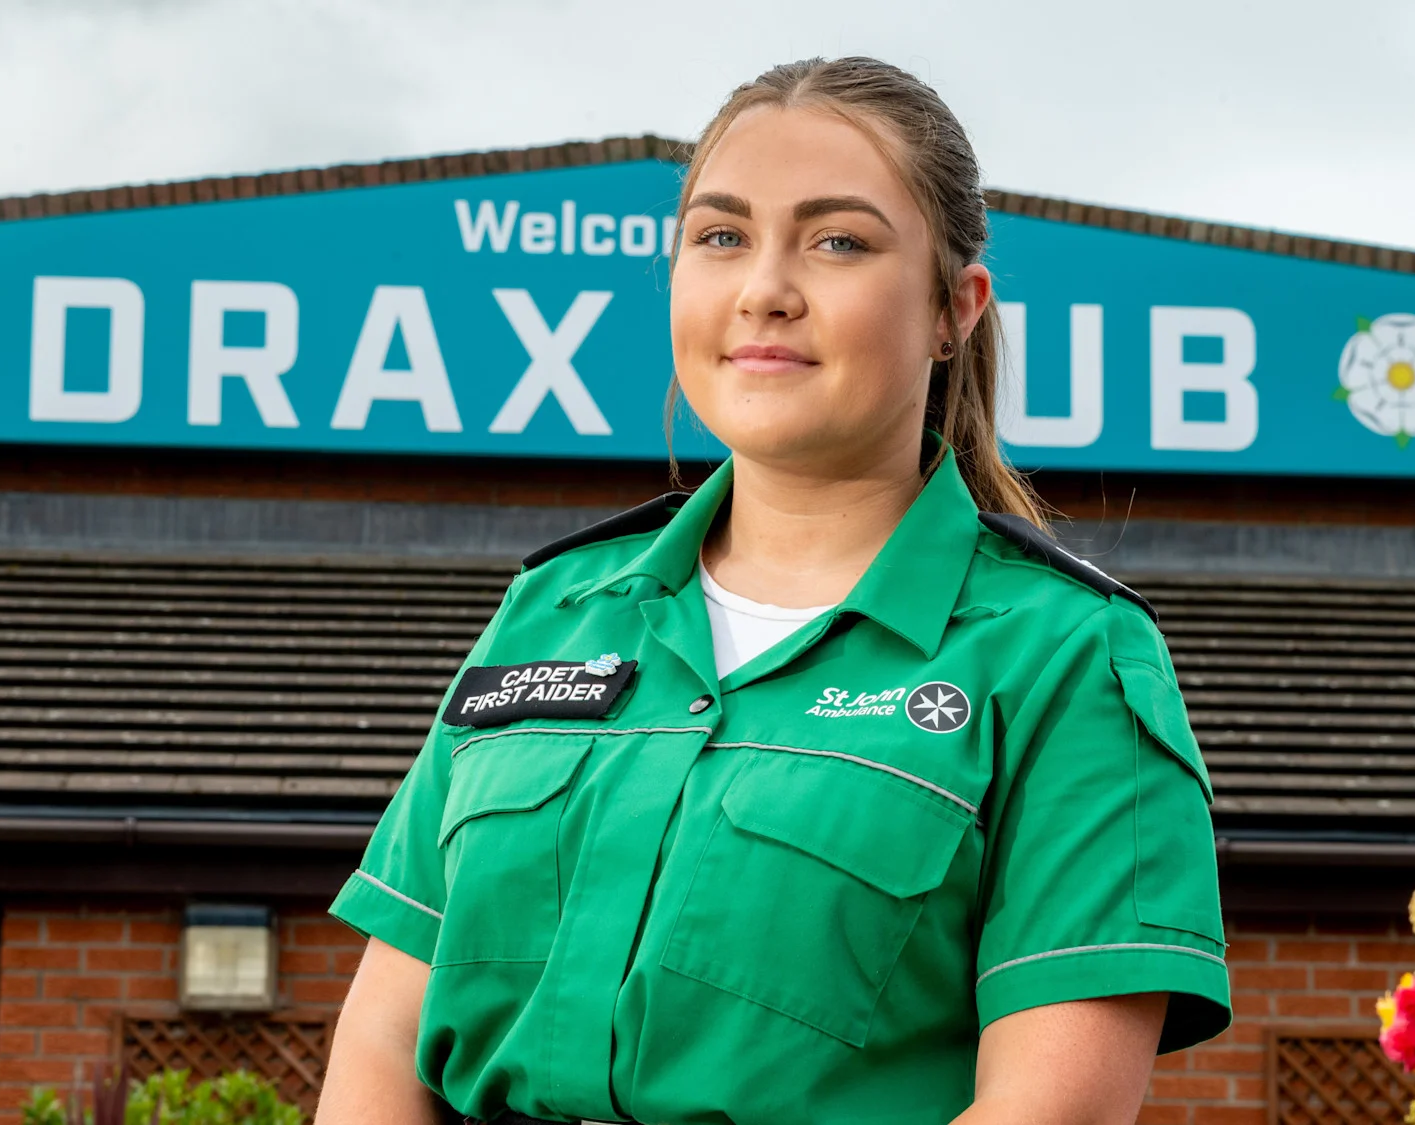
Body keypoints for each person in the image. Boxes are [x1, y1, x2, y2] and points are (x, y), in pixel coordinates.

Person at [317, 56, 1229, 1125]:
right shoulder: (550, 612)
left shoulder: (1064, 656)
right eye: (720, 236)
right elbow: (382, 1045)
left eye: (837, 240)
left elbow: (1048, 1111)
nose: (764, 289)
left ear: (953, 308)